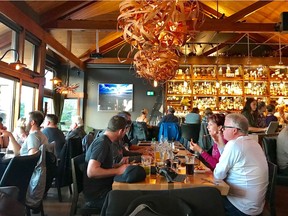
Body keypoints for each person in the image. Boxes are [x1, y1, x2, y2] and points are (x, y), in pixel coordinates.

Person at [214, 113, 268, 216]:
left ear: (234, 130)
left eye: (224, 127)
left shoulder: (234, 144)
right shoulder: (253, 143)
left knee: (207, 200)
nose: (222, 130)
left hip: (242, 207)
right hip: (256, 206)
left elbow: (218, 175)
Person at [1, 111, 49, 208]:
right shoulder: (40, 135)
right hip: (27, 176)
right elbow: (19, 152)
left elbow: (31, 158)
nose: (24, 122)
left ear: (32, 122)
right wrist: (10, 135)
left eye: (27, 120)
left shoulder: (33, 136)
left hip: (25, 178)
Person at [84, 115, 130, 209]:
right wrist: (118, 171)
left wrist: (118, 165)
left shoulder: (106, 141)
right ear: (121, 131)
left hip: (103, 187)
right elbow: (92, 172)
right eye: (125, 131)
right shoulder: (102, 143)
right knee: (132, 197)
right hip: (98, 195)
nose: (125, 133)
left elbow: (102, 166)